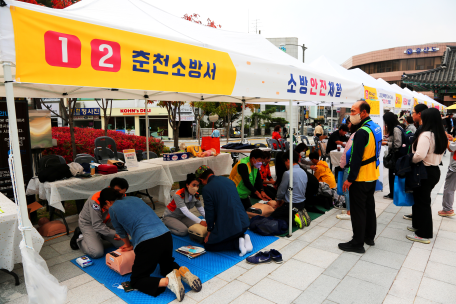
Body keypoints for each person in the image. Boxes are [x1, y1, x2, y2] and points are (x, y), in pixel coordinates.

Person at [106, 189, 202, 301]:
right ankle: (184, 272)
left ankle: (169, 281)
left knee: (137, 280)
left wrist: (128, 245)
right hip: (165, 236)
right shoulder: (135, 198)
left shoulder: (112, 208)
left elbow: (121, 232)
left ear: (108, 202)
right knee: (166, 265)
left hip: (148, 243)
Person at [339, 100, 382, 253]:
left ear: (363, 112)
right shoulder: (376, 127)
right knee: (369, 207)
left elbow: (356, 158)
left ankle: (357, 243)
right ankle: (369, 237)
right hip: (372, 175)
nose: (351, 114)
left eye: (353, 111)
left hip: (361, 177)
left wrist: (350, 179)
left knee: (358, 210)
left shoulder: (362, 132)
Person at [407, 108, 447, 244]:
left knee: (422, 202)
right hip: (434, 170)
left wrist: (409, 160)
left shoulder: (426, 135)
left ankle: (424, 233)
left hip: (423, 171)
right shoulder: (440, 134)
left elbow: (419, 155)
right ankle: (419, 226)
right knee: (421, 201)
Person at [195, 165, 252, 256]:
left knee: (208, 245)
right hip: (244, 223)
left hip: (232, 226)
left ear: (201, 180)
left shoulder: (207, 189)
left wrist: (210, 231)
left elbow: (210, 212)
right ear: (212, 173)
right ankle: (244, 237)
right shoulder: (228, 181)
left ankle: (237, 243)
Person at [70, 177, 128, 258]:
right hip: (90, 224)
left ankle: (101, 235)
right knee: (97, 253)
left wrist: (124, 229)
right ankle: (80, 237)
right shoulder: (95, 201)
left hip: (107, 222)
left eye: (122, 194)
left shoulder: (121, 196)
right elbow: (97, 225)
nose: (119, 196)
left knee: (124, 244)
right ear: (109, 188)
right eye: (117, 192)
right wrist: (115, 233)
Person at [271, 150, 308, 229]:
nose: (285, 164)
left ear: (288, 160)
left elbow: (281, 191)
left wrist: (278, 202)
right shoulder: (303, 171)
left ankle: (294, 219)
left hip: (292, 205)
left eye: (285, 161)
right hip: (302, 203)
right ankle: (300, 213)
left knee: (274, 216)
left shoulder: (288, 173)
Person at [404, 103, 429, 221]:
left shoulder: (424, 130)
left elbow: (420, 154)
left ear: (419, 114)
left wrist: (410, 159)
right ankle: (416, 217)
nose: (412, 115)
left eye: (413, 112)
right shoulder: (422, 128)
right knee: (419, 197)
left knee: (422, 199)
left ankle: (421, 227)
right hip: (422, 166)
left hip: (422, 166)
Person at [337, 118, 361, 220]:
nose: (348, 125)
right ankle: (350, 209)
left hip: (349, 166)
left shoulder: (355, 135)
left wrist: (342, 164)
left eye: (349, 123)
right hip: (351, 166)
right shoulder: (358, 134)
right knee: (351, 190)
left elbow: (347, 153)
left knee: (346, 189)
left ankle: (349, 212)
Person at [382, 112, 403, 200]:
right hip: (396, 155)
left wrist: (386, 143)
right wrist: (387, 139)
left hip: (396, 155)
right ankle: (392, 193)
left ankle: (393, 194)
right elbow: (394, 138)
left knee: (393, 175)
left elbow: (398, 144)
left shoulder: (396, 129)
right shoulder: (398, 127)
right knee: (392, 175)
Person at [439, 133, 456, 217]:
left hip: (454, 167)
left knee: (449, 188)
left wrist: (445, 138)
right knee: (451, 187)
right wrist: (453, 139)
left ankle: (447, 209)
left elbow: (451, 148)